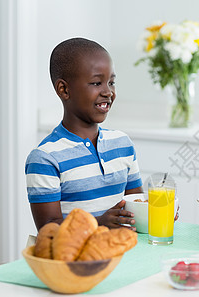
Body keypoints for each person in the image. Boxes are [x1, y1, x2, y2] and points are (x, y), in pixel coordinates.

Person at [25, 37, 143, 231]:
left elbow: (136, 206)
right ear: (64, 90)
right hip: (74, 259)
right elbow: (48, 229)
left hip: (122, 253)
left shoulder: (122, 144)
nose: (108, 92)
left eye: (111, 83)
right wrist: (97, 223)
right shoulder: (45, 158)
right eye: (97, 83)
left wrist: (155, 210)